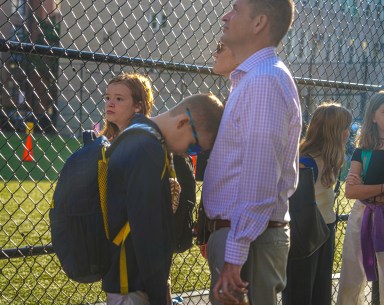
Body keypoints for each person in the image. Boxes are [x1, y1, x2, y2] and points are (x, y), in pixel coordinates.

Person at [202, 0, 301, 304]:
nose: (225, 15)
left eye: (235, 9)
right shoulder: (254, 78)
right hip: (246, 238)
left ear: (258, 23)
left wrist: (235, 254)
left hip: (248, 242)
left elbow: (260, 178)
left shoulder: (263, 82)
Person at [102, 92, 224, 305]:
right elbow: (145, 230)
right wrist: (159, 293)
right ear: (183, 122)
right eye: (194, 147)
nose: (189, 155)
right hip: (132, 281)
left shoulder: (145, 136)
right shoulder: (147, 148)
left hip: (134, 277)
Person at [282, 102, 352, 305]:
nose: (349, 132)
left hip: (325, 230)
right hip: (305, 233)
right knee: (300, 291)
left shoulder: (331, 158)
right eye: (345, 127)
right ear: (333, 131)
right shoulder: (305, 161)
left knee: (321, 291)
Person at [337, 91, 384, 305]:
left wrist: (366, 187)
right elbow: (351, 192)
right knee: (351, 275)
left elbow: (359, 188)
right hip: (362, 213)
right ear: (373, 117)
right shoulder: (362, 150)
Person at [197, 41, 239, 259]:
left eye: (221, 48)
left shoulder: (250, 92)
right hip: (220, 221)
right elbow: (213, 172)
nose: (214, 53)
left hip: (236, 226)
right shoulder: (232, 98)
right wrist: (204, 231)